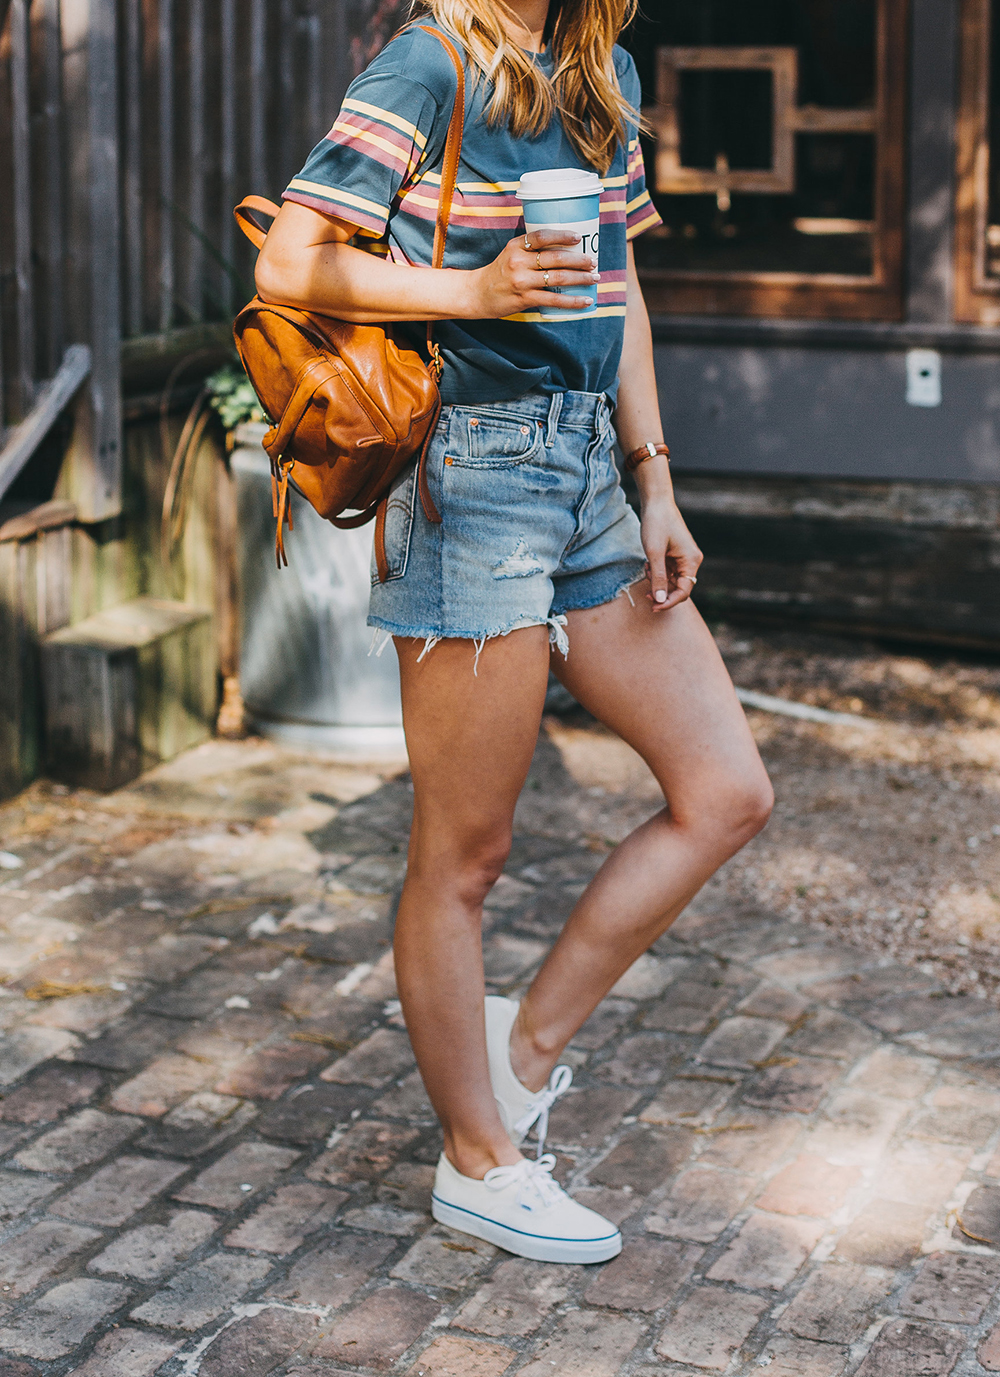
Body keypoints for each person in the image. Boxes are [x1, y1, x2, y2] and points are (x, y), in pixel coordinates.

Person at [255, 0, 774, 1264]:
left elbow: (621, 280)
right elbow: (288, 261)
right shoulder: (430, 60)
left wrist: (653, 478)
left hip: (592, 468)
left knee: (725, 792)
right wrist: (473, 289)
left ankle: (521, 1045)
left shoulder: (603, 69)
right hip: (474, 475)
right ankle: (477, 1161)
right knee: (465, 857)